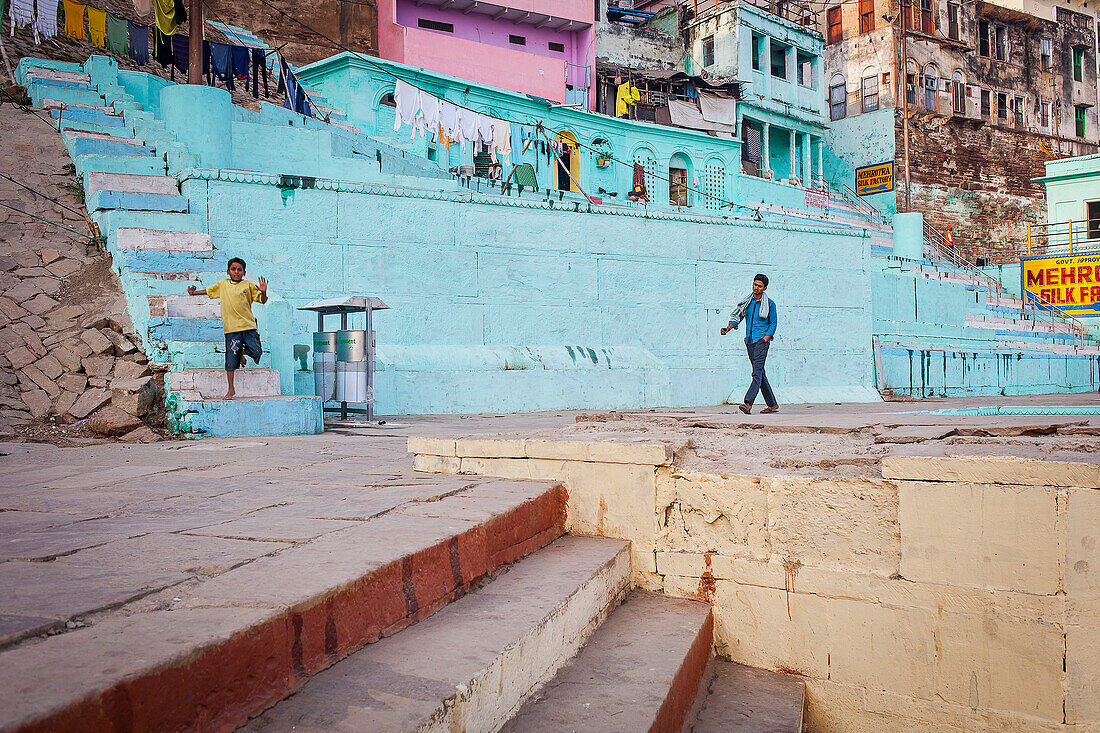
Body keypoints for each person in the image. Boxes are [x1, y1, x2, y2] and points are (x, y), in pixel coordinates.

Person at [187, 258, 268, 400]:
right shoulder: (223, 284)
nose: (236, 272)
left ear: (244, 272)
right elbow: (208, 291)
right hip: (231, 329)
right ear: (228, 271)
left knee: (257, 351)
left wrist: (263, 292)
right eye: (233, 269)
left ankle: (240, 352)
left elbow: (263, 300)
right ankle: (231, 389)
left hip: (248, 327)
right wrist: (193, 293)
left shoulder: (248, 285)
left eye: (239, 270)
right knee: (231, 361)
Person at [720, 273, 778, 414]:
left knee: (756, 373)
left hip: (761, 342)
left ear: (765, 288)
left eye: (759, 286)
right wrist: (728, 328)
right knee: (760, 373)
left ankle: (748, 403)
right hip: (750, 341)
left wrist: (765, 339)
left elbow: (773, 323)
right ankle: (772, 405)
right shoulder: (748, 302)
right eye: (755, 284)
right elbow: (738, 316)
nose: (756, 288)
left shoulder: (769, 304)